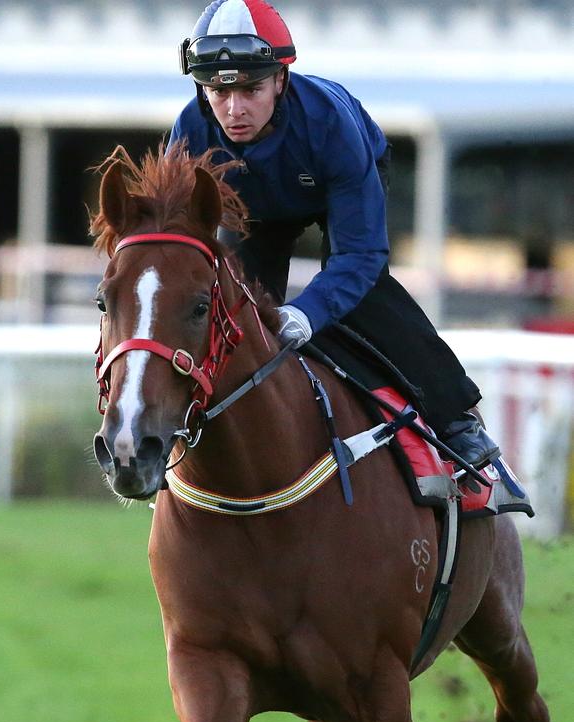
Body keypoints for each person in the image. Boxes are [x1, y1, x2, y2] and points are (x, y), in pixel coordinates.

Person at [169, 0, 500, 470]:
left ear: (281, 78)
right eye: (217, 93)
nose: (234, 109)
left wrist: (307, 313)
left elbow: (360, 256)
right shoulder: (188, 131)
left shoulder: (330, 124)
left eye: (250, 89)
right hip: (255, 208)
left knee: (363, 294)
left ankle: (456, 418)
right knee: (236, 299)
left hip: (332, 182)